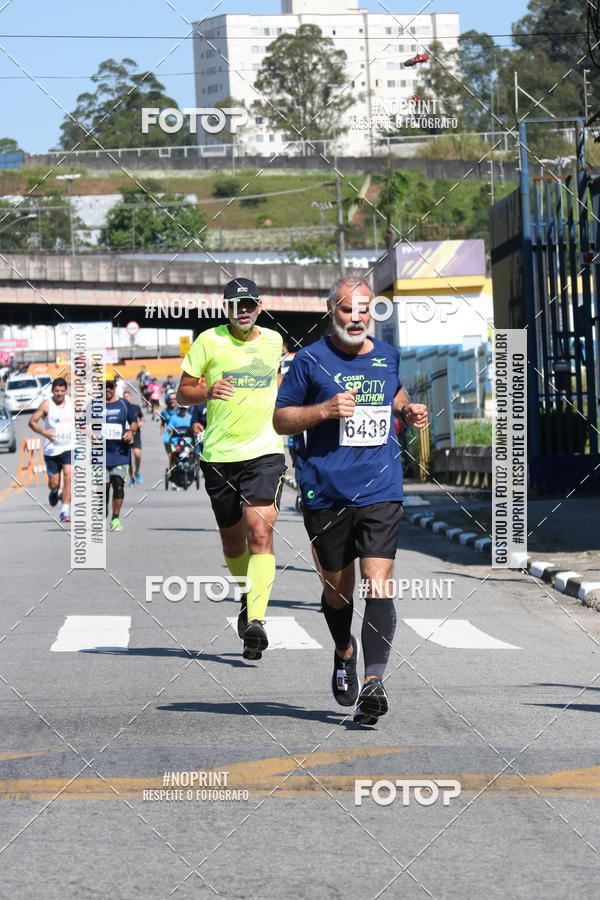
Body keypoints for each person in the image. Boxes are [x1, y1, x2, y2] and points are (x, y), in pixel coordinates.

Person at [274, 275, 428, 725]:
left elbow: (392, 389)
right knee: (337, 592)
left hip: (381, 488)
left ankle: (374, 682)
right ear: (331, 311)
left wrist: (406, 409)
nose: (357, 317)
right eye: (348, 310)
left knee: (378, 583)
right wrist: (323, 410)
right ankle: (345, 650)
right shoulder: (309, 361)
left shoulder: (386, 354)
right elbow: (282, 419)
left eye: (365, 309)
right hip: (325, 492)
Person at [176, 277, 286, 661]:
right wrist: (207, 391)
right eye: (236, 304)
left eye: (250, 303)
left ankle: (256, 620)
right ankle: (247, 595)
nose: (243, 310)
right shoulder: (208, 340)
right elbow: (181, 392)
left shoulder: (275, 342)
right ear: (226, 307)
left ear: (260, 305)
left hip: (265, 450)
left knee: (259, 532)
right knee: (233, 542)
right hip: (219, 454)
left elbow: (282, 382)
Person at [28, 377, 73, 523]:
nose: (59, 393)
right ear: (52, 391)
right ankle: (55, 491)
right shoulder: (47, 404)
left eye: (62, 390)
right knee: (54, 483)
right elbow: (32, 422)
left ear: (66, 390)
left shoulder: (72, 402)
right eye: (56, 391)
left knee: (69, 476)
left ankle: (65, 511)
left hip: (69, 447)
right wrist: (44, 433)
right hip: (51, 450)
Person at [103, 377, 139, 531]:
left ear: (115, 386)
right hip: (100, 453)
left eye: (110, 386)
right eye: (103, 387)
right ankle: (102, 508)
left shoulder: (125, 404)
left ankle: (115, 518)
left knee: (118, 485)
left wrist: (131, 431)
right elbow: (82, 424)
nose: (107, 390)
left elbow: (134, 422)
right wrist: (89, 433)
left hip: (120, 452)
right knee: (102, 489)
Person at [123, 389, 144, 485]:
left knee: (137, 454)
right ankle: (131, 477)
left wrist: (141, 422)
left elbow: (142, 418)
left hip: (136, 434)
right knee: (128, 458)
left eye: (128, 397)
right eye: (125, 397)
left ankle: (137, 472)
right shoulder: (121, 408)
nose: (127, 398)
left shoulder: (135, 407)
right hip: (125, 434)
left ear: (131, 398)